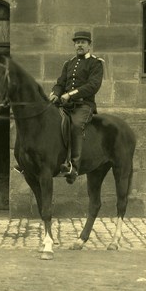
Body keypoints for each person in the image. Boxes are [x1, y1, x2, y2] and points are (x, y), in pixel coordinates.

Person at [49, 31, 104, 184]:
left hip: (83, 105)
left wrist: (70, 95)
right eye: (77, 42)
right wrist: (55, 93)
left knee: (75, 125)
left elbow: (93, 86)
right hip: (65, 104)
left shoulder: (96, 63)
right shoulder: (69, 63)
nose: (79, 45)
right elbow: (60, 83)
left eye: (83, 42)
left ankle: (74, 166)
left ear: (89, 45)